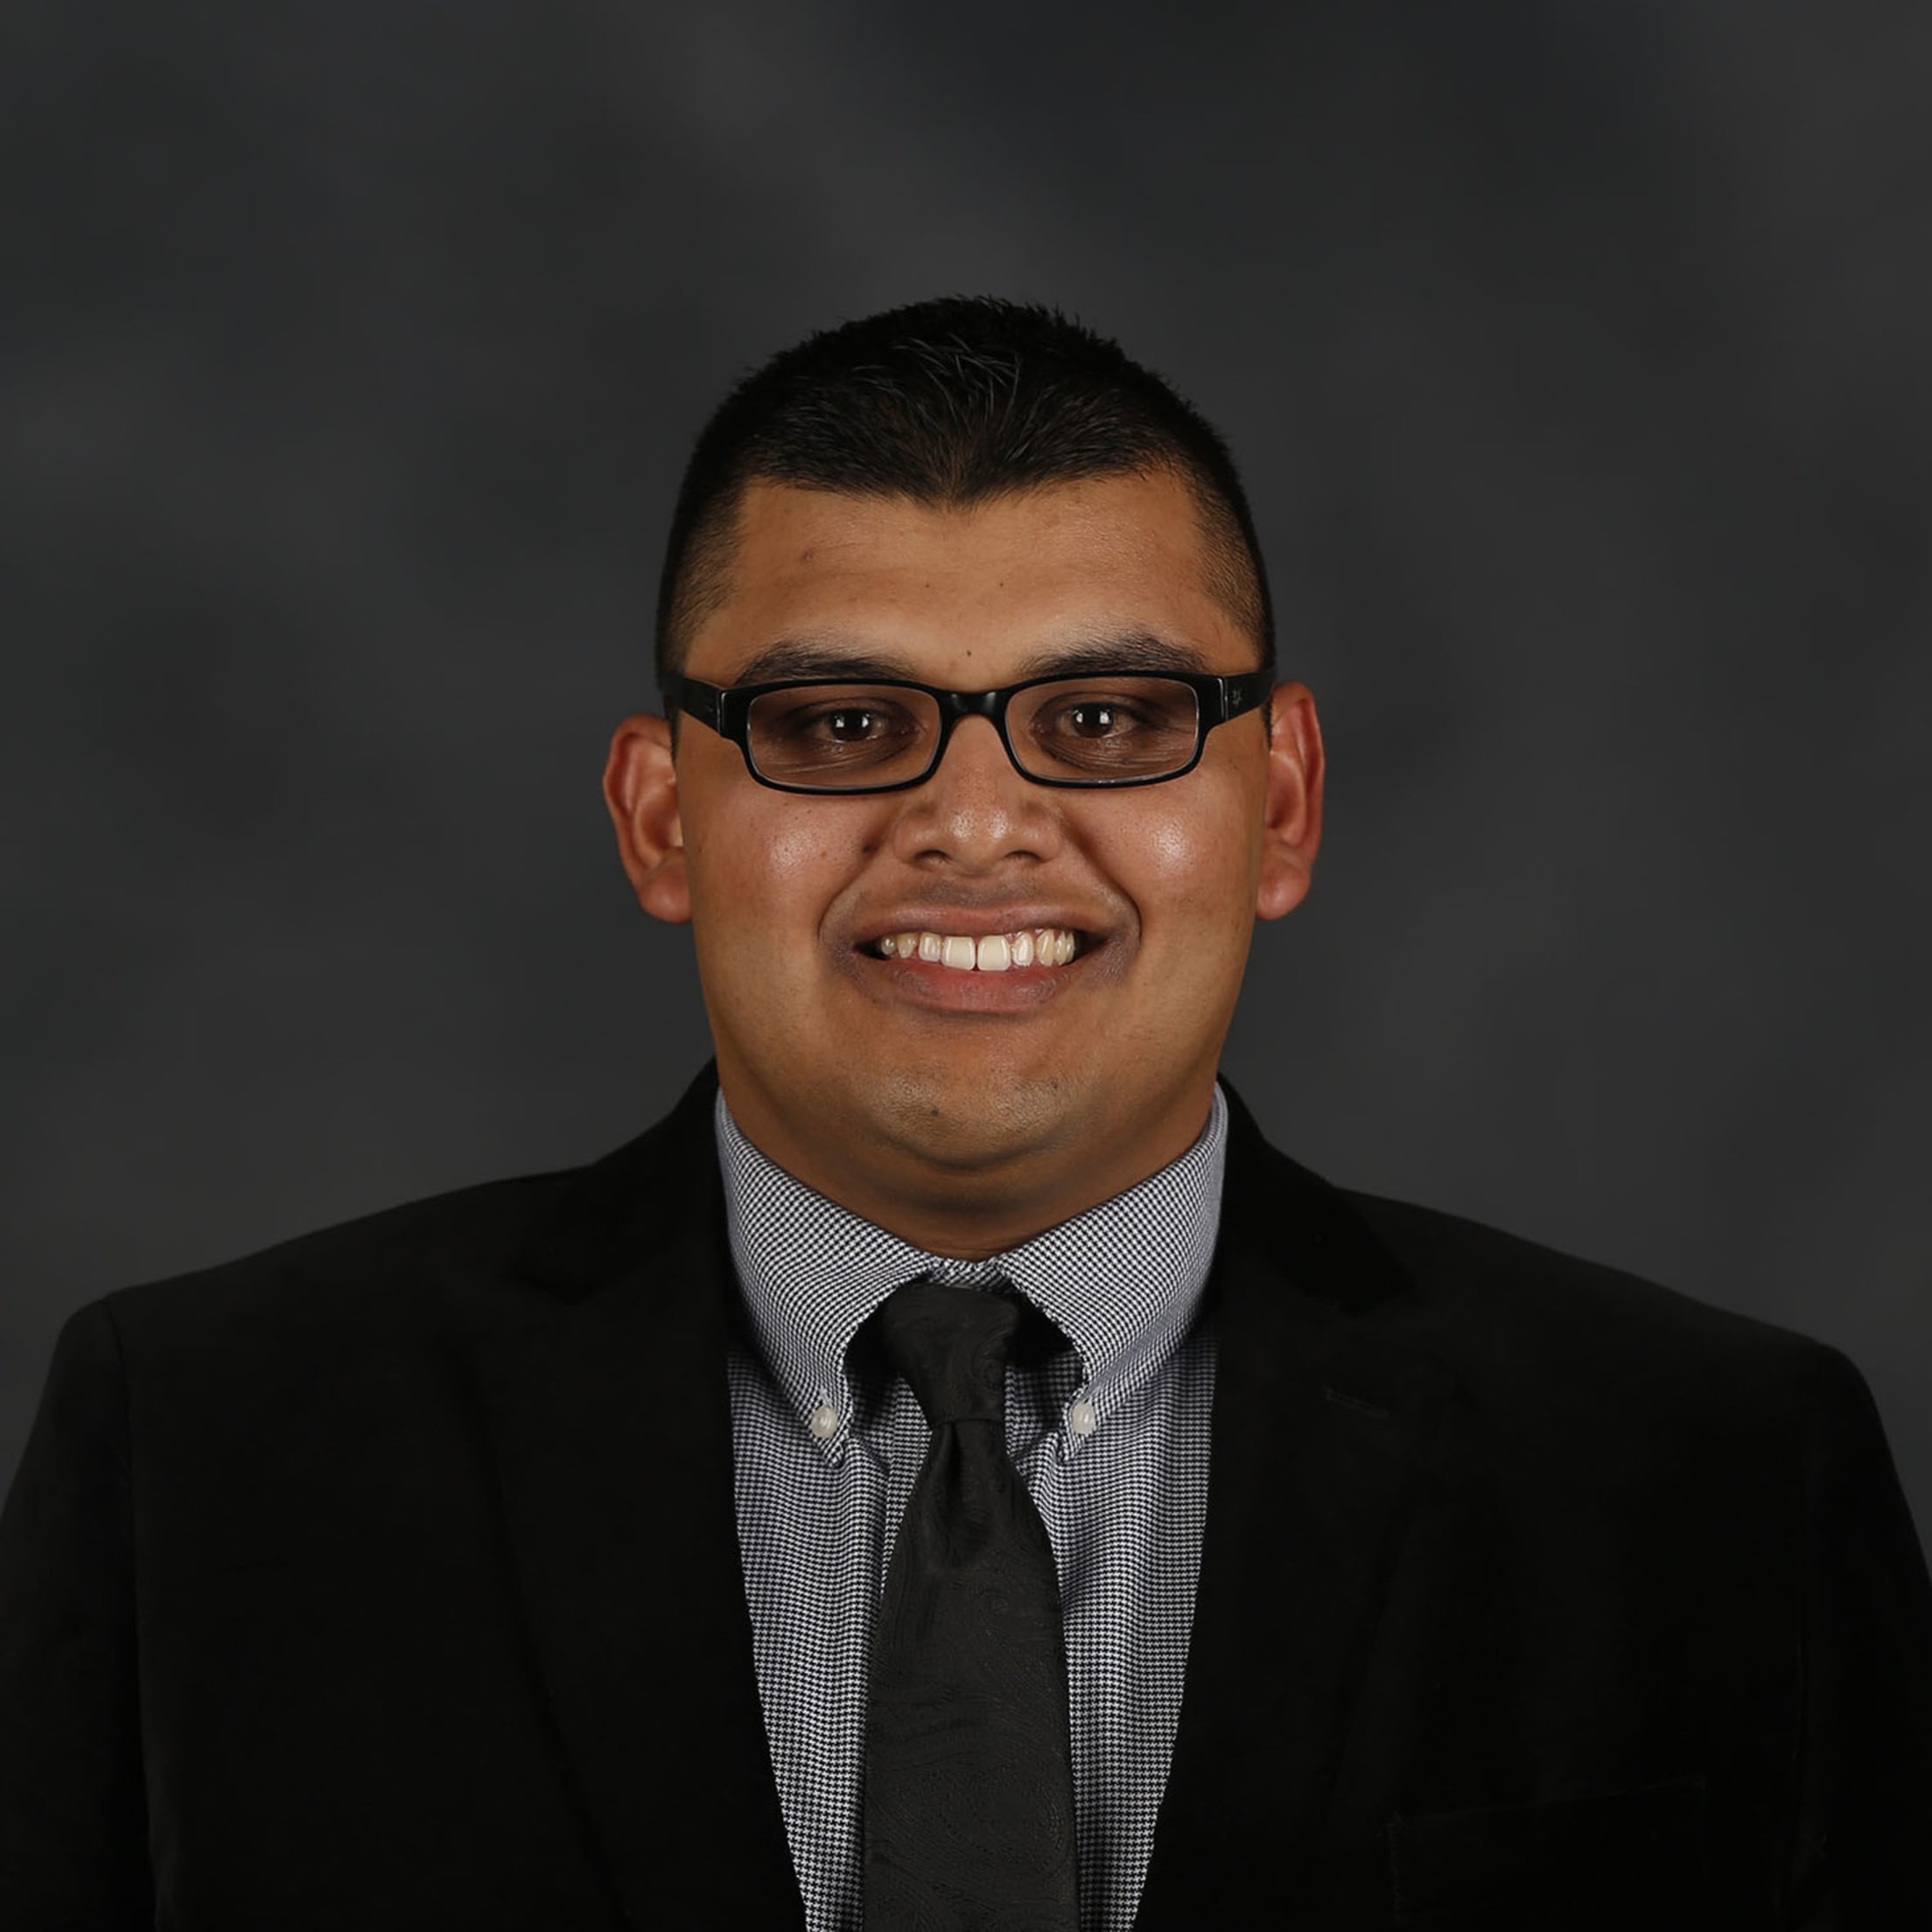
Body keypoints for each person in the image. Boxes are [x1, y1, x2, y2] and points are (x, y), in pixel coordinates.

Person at [2, 298, 1928, 1931]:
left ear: (1280, 806)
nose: (979, 825)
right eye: (843, 725)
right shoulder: (201, 1463)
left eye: (1108, 720)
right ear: (662, 819)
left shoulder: (1716, 1481)